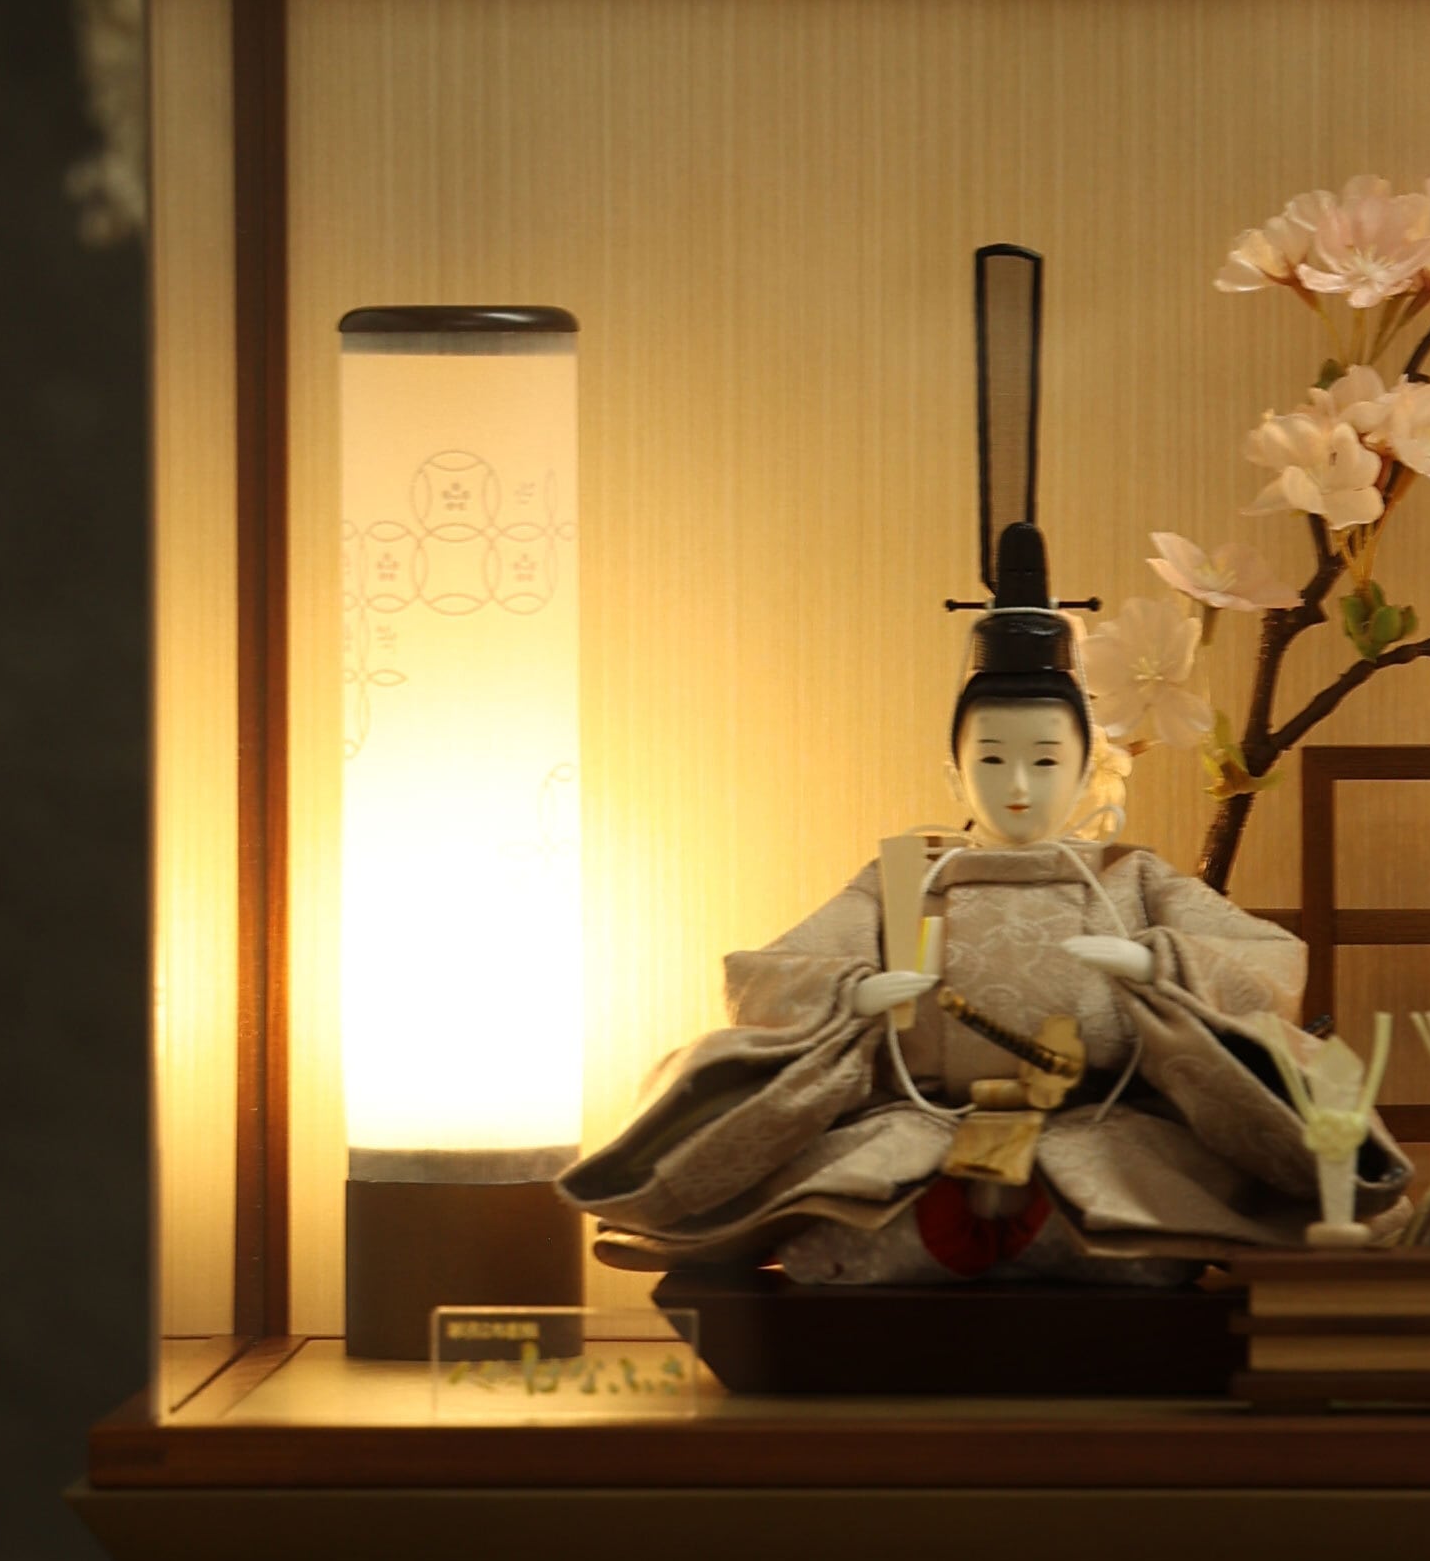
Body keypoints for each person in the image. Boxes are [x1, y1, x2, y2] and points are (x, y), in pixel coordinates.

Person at [564, 525, 1388, 1285]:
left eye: (1044, 760)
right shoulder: (904, 878)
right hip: (925, 1129)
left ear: (1085, 770)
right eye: (991, 759)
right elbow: (766, 975)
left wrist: (1156, 964)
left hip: (1095, 1128)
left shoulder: (1132, 878)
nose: (1018, 784)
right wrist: (853, 992)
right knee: (850, 1235)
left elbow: (1269, 961)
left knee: (1133, 1240)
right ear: (954, 774)